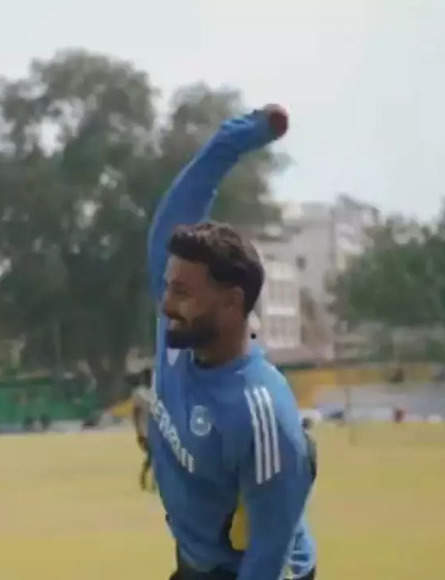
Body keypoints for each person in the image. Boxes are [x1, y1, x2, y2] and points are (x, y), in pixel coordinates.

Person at [147, 106, 317, 580]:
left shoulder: (260, 413)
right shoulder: (179, 334)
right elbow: (181, 207)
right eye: (167, 286)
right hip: (196, 563)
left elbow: (268, 561)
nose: (164, 306)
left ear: (231, 301)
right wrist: (240, 136)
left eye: (182, 293)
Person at [132, 370, 155, 491]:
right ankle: (146, 479)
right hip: (144, 430)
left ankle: (149, 480)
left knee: (154, 457)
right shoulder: (139, 393)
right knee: (152, 456)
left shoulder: (155, 391)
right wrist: (138, 431)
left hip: (156, 430)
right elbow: (135, 413)